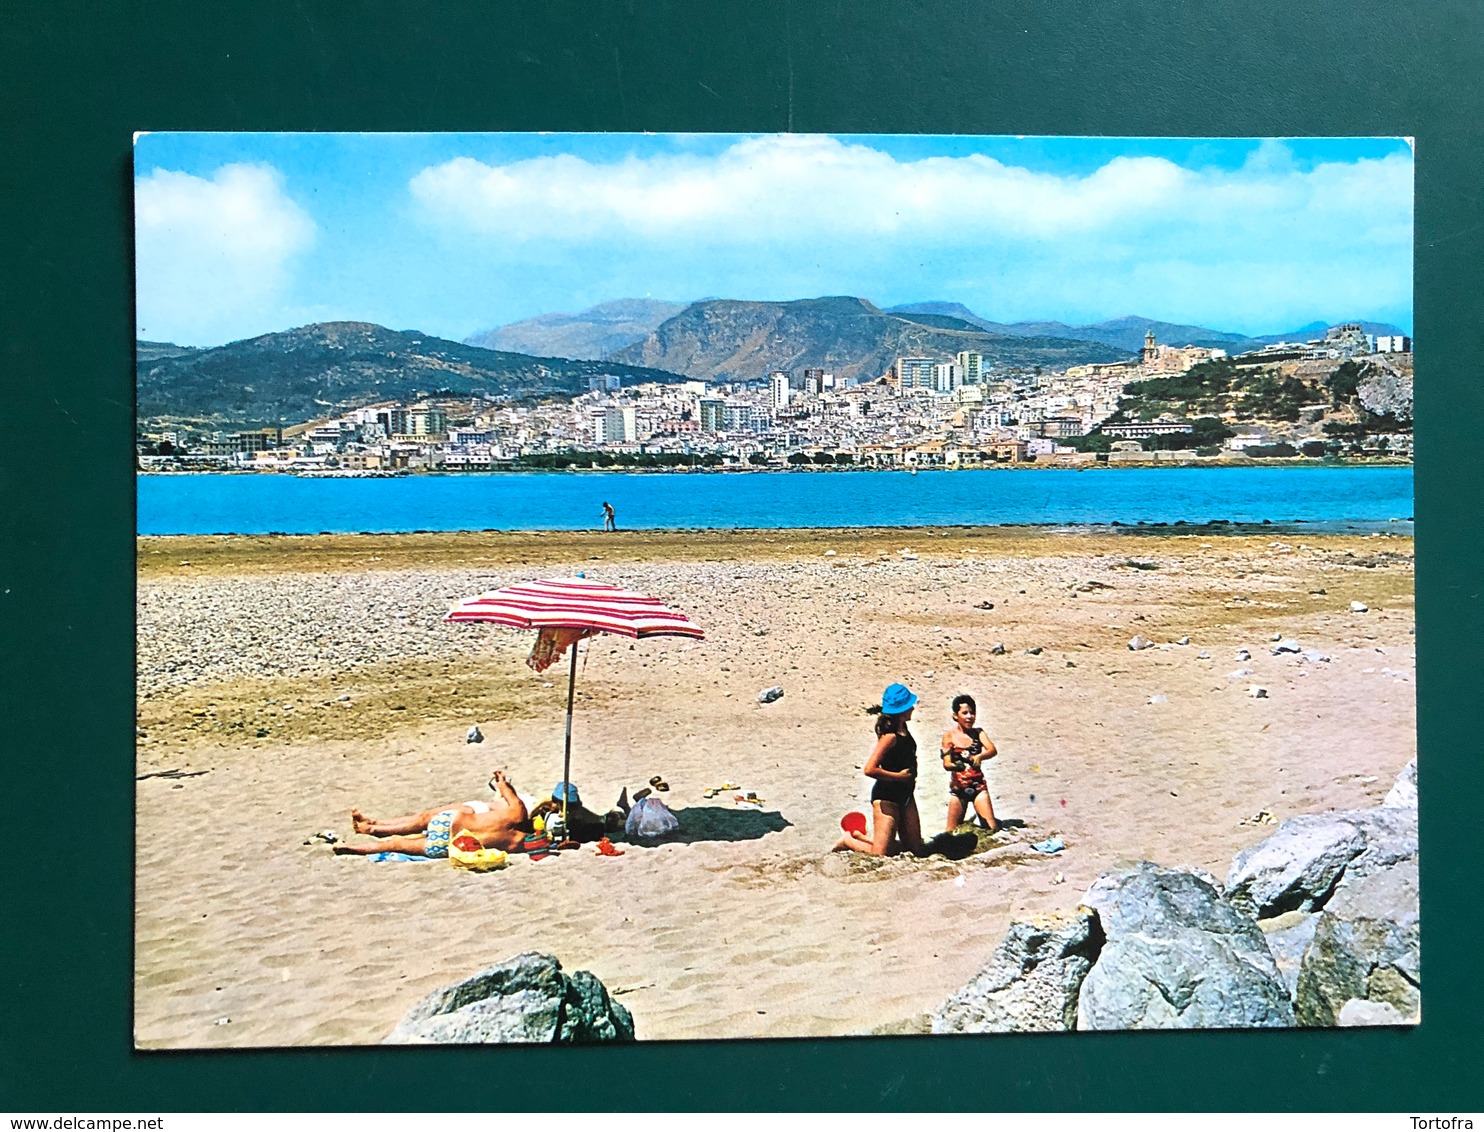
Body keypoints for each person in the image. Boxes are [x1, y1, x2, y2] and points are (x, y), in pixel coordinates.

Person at [335, 769, 531, 857]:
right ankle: (354, 848)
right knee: (396, 844)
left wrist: (501, 781)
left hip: (450, 823)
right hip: (450, 846)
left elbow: (506, 791)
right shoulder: (515, 845)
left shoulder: (516, 812)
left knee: (422, 819)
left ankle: (372, 828)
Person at [833, 683, 925, 857]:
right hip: (887, 797)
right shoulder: (890, 737)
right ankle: (848, 840)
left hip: (906, 794)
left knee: (915, 850)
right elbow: (870, 769)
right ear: (901, 710)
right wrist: (899, 777)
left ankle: (859, 835)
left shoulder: (903, 728)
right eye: (909, 705)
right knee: (881, 856)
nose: (913, 708)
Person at [940, 693, 999, 833]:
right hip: (958, 789)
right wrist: (956, 766)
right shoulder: (949, 736)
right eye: (965, 713)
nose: (969, 717)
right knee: (951, 832)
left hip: (978, 786)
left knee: (991, 829)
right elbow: (946, 764)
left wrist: (980, 756)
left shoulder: (978, 733)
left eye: (972, 713)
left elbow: (992, 750)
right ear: (955, 716)